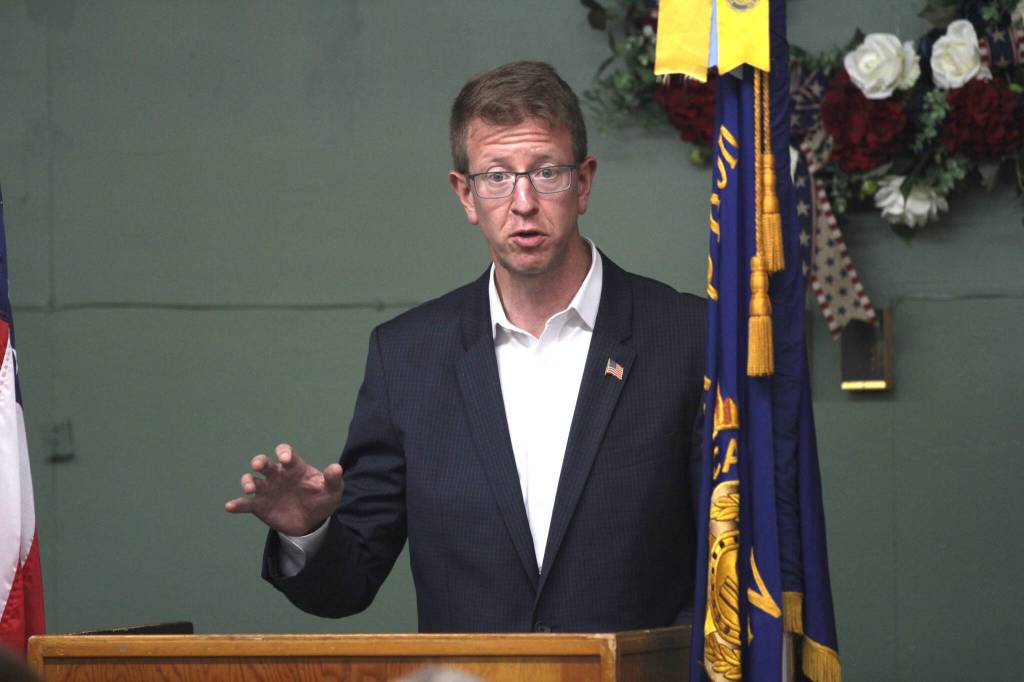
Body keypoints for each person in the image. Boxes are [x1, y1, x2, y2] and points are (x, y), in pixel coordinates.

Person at [225, 61, 705, 633]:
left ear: (585, 183)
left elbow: (735, 561)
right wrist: (306, 531)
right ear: (466, 195)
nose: (523, 202)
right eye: (497, 177)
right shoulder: (407, 357)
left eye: (546, 172)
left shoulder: (691, 337)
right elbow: (348, 584)